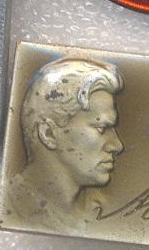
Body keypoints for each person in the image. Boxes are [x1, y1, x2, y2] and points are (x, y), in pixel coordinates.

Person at [9, 53, 123, 225]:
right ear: (48, 134)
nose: (117, 145)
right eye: (101, 128)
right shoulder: (15, 208)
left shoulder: (92, 215)